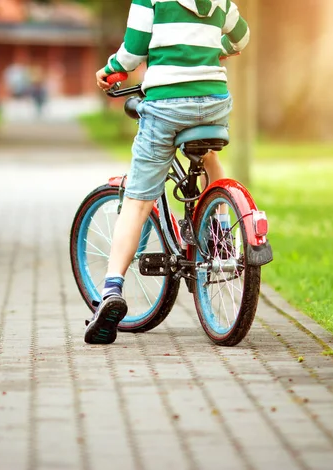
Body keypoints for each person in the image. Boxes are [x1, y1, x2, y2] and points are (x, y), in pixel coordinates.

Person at [85, 0, 250, 344]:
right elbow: (240, 39)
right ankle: (220, 231)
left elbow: (132, 52)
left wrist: (110, 70)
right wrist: (209, 52)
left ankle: (112, 289)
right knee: (207, 159)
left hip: (167, 106)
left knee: (138, 201)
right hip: (214, 102)